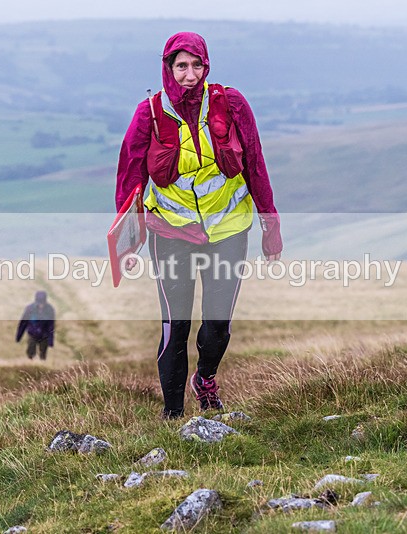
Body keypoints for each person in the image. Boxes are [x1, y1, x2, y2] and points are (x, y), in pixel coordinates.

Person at [115, 32, 282, 419]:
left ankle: (205, 377)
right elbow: (130, 180)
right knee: (176, 327)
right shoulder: (150, 114)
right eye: (181, 66)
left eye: (197, 66)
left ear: (207, 66)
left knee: (217, 325)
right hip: (171, 234)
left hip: (228, 231)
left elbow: (255, 162)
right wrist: (125, 245)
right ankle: (172, 417)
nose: (190, 75)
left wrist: (270, 224)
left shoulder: (231, 104)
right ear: (168, 69)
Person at [15, 290, 56, 360]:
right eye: (39, 303)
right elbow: (23, 323)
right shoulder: (30, 309)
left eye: (42, 303)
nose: (41, 305)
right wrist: (18, 336)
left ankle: (42, 367)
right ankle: (30, 366)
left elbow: (51, 326)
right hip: (32, 334)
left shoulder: (50, 309)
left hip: (44, 335)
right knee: (30, 352)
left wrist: (50, 341)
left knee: (43, 354)